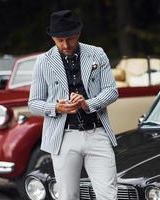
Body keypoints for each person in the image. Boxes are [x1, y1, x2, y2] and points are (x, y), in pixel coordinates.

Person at [28, 10, 118, 200]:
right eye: (59, 40)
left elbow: (111, 91)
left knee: (108, 195)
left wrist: (88, 104)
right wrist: (55, 107)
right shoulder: (43, 61)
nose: (65, 44)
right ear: (53, 37)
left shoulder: (97, 53)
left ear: (78, 34)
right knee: (68, 196)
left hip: (97, 133)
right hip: (63, 136)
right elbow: (33, 104)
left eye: (69, 39)